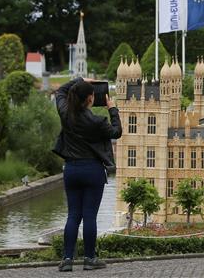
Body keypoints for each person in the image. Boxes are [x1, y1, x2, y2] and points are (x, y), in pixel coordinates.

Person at [52, 78, 121, 272]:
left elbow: (60, 91)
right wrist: (112, 109)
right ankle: (89, 259)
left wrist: (80, 80)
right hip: (92, 170)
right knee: (89, 216)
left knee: (73, 215)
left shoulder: (65, 113)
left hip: (72, 170)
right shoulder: (97, 122)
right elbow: (116, 132)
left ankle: (67, 260)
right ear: (91, 99)